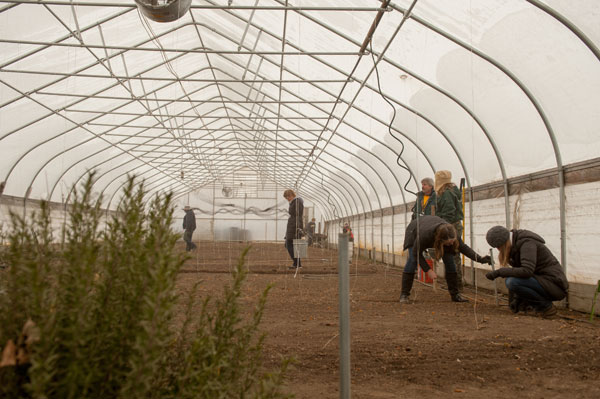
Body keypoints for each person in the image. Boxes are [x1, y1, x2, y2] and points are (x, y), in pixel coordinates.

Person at [399, 215, 491, 303]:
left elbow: (464, 248)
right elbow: (417, 253)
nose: (451, 244)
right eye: (448, 242)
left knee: (450, 262)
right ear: (440, 240)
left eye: (452, 242)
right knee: (412, 260)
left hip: (431, 228)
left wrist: (480, 259)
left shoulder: (452, 233)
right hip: (414, 230)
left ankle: (455, 295)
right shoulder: (425, 235)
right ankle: (404, 294)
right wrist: (428, 270)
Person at [484, 226, 568, 318]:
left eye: (498, 246)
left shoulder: (527, 243)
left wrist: (500, 272)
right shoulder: (515, 245)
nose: (498, 249)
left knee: (512, 281)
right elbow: (521, 274)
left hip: (554, 285)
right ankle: (532, 307)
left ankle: (546, 308)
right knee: (512, 279)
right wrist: (516, 301)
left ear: (504, 241)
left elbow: (527, 271)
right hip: (542, 282)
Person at [434, 170, 464, 289]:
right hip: (451, 226)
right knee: (452, 254)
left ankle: (456, 283)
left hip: (451, 227)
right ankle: (454, 283)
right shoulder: (450, 191)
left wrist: (442, 227)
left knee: (452, 254)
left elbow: (448, 213)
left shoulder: (447, 193)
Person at [284, 189, 304, 269]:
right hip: (292, 225)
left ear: (291, 195)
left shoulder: (297, 201)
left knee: (289, 244)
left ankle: (297, 263)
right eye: (286, 197)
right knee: (289, 244)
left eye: (287, 197)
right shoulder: (294, 202)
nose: (287, 199)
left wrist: (298, 227)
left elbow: (298, 215)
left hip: (294, 226)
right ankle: (297, 263)